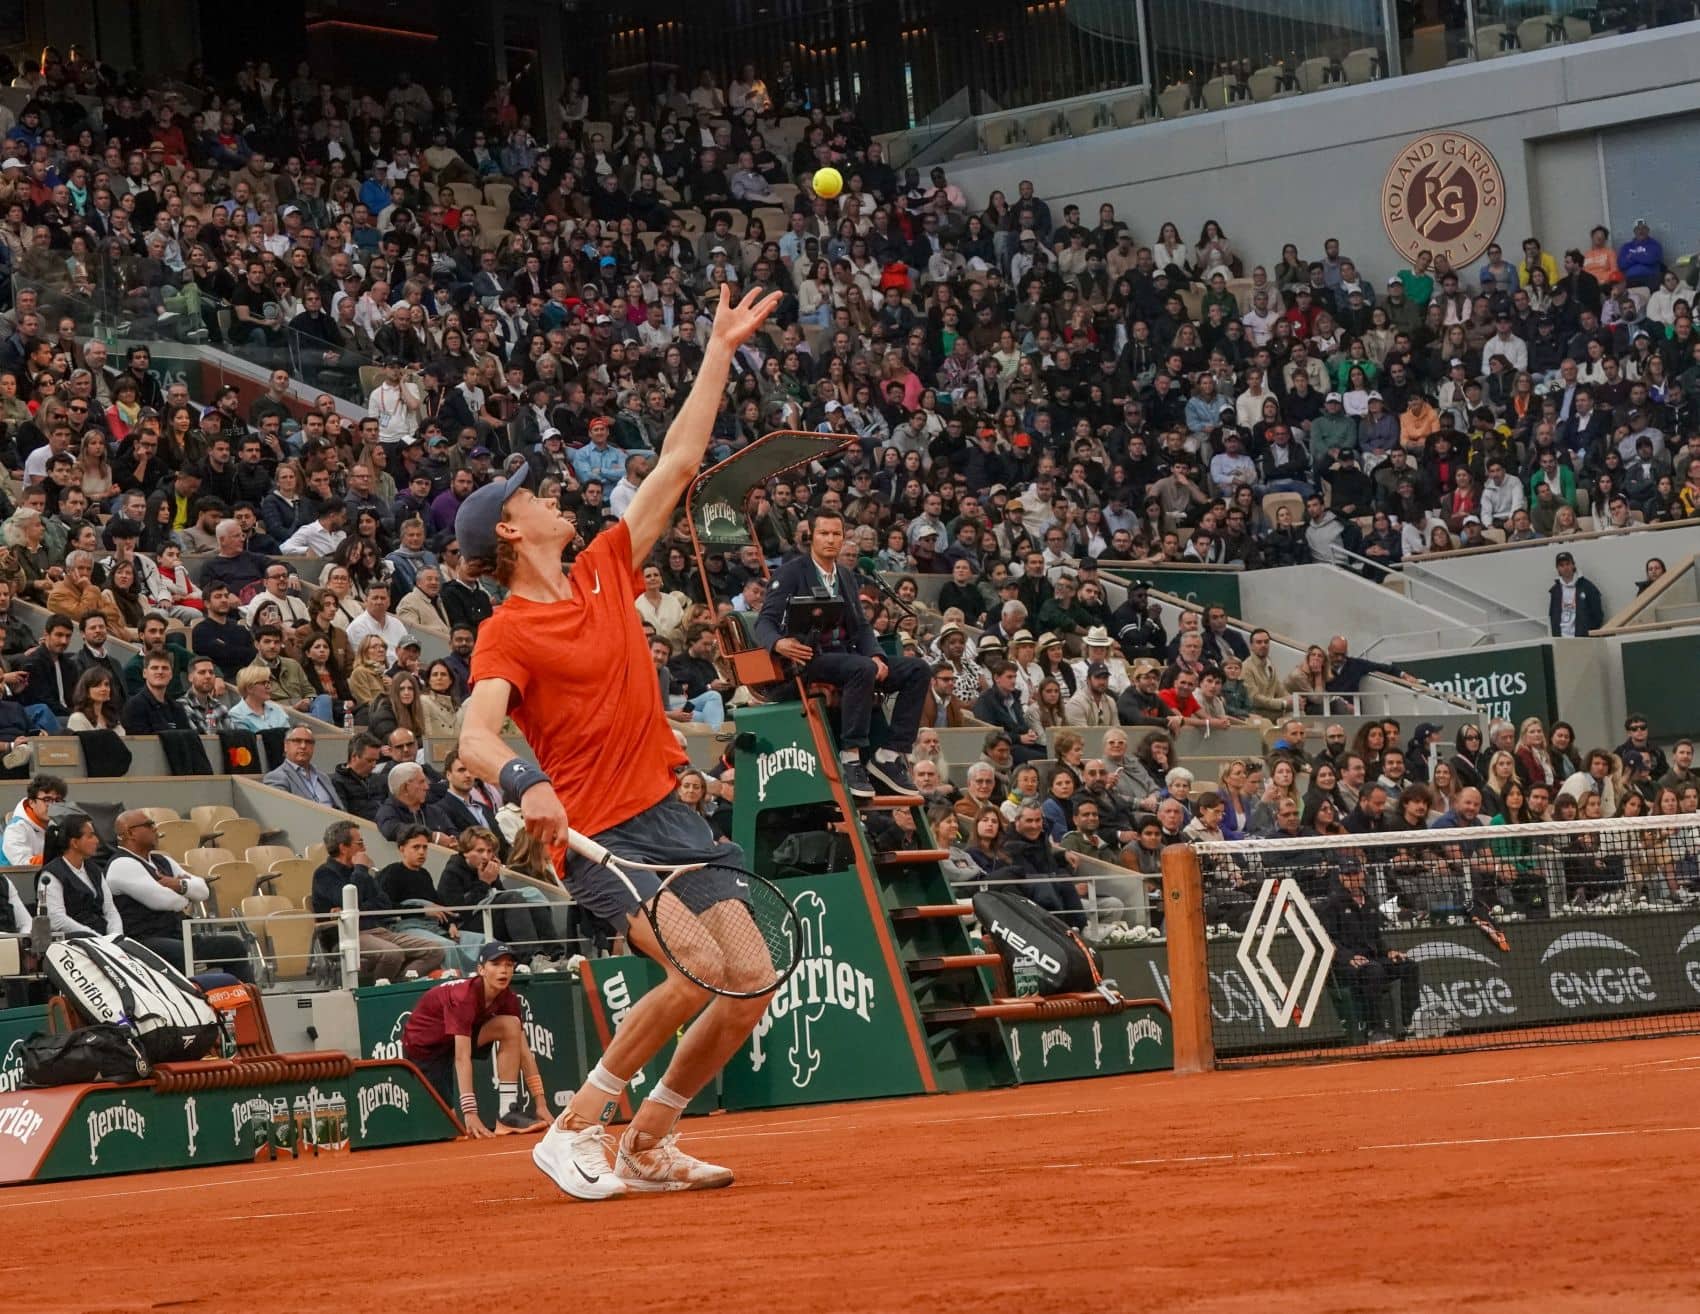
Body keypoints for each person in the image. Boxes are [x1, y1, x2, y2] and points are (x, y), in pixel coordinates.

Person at [454, 284, 783, 1201]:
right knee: (696, 971)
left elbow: (679, 461)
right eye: (532, 495)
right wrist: (525, 781)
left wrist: (719, 349)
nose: (551, 494)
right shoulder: (507, 632)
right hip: (599, 832)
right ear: (510, 530)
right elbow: (474, 733)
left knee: (750, 982)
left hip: (668, 814)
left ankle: (648, 1142)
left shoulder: (604, 566)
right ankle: (573, 1127)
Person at [754, 508, 929, 798]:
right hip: (809, 659)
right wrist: (779, 643)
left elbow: (861, 627)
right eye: (824, 533)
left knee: (918, 669)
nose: (830, 539)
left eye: (836, 534)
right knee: (861, 668)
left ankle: (889, 754)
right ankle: (851, 758)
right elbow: (764, 622)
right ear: (811, 537)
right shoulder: (791, 572)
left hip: (848, 656)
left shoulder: (846, 575)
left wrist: (877, 655)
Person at [401, 941, 550, 1136]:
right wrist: (470, 1112)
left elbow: (525, 1053)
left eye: (508, 965)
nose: (503, 970)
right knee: (448, 1131)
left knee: (510, 1025)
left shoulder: (508, 999)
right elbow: (462, 1057)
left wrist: (541, 1103)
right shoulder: (464, 997)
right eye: (495, 964)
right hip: (424, 1049)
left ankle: (507, 1113)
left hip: (454, 1040)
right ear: (481, 970)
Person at [105, 810, 253, 980]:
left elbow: (203, 891)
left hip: (177, 935)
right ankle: (192, 995)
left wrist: (178, 884)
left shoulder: (163, 861)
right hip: (143, 940)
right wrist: (187, 894)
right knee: (181, 952)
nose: (155, 828)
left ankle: (246, 995)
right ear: (130, 833)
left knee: (233, 946)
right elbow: (165, 901)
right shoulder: (121, 865)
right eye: (149, 825)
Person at [309, 820, 446, 981]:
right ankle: (380, 990)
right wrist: (360, 870)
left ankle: (398, 984)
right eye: (360, 843)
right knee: (392, 953)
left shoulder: (361, 873)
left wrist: (359, 908)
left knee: (436, 950)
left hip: (379, 931)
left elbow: (384, 903)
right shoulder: (324, 874)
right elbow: (350, 901)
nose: (364, 848)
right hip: (348, 936)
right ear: (343, 847)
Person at [1321, 858, 1419, 1043]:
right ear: (1341, 878)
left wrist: (1389, 952)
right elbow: (1326, 939)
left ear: (1362, 874)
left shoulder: (1371, 904)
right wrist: (1348, 957)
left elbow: (1375, 937)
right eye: (1347, 875)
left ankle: (1410, 1023)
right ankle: (1375, 1029)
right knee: (1374, 971)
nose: (1351, 878)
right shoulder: (1332, 904)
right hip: (1345, 966)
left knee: (1408, 966)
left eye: (1354, 873)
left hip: (1372, 960)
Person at [40, 813, 121, 938]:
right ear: (74, 842)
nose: (97, 840)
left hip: (105, 938)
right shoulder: (51, 874)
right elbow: (56, 919)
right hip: (76, 940)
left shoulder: (94, 869)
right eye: (90, 836)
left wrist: (116, 936)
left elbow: (110, 910)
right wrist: (96, 937)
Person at [262, 726, 344, 808]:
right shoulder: (276, 777)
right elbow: (281, 811)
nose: (303, 746)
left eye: (308, 742)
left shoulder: (323, 777)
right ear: (286, 746)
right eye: (297, 741)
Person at [1548, 550, 1604, 637]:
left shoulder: (1587, 587)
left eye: (1568, 564)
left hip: (1582, 639)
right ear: (1557, 568)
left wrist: (1586, 633)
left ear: (1573, 565)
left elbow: (1598, 615)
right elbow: (1552, 615)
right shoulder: (1555, 591)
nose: (1565, 568)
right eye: (1561, 565)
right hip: (1560, 638)